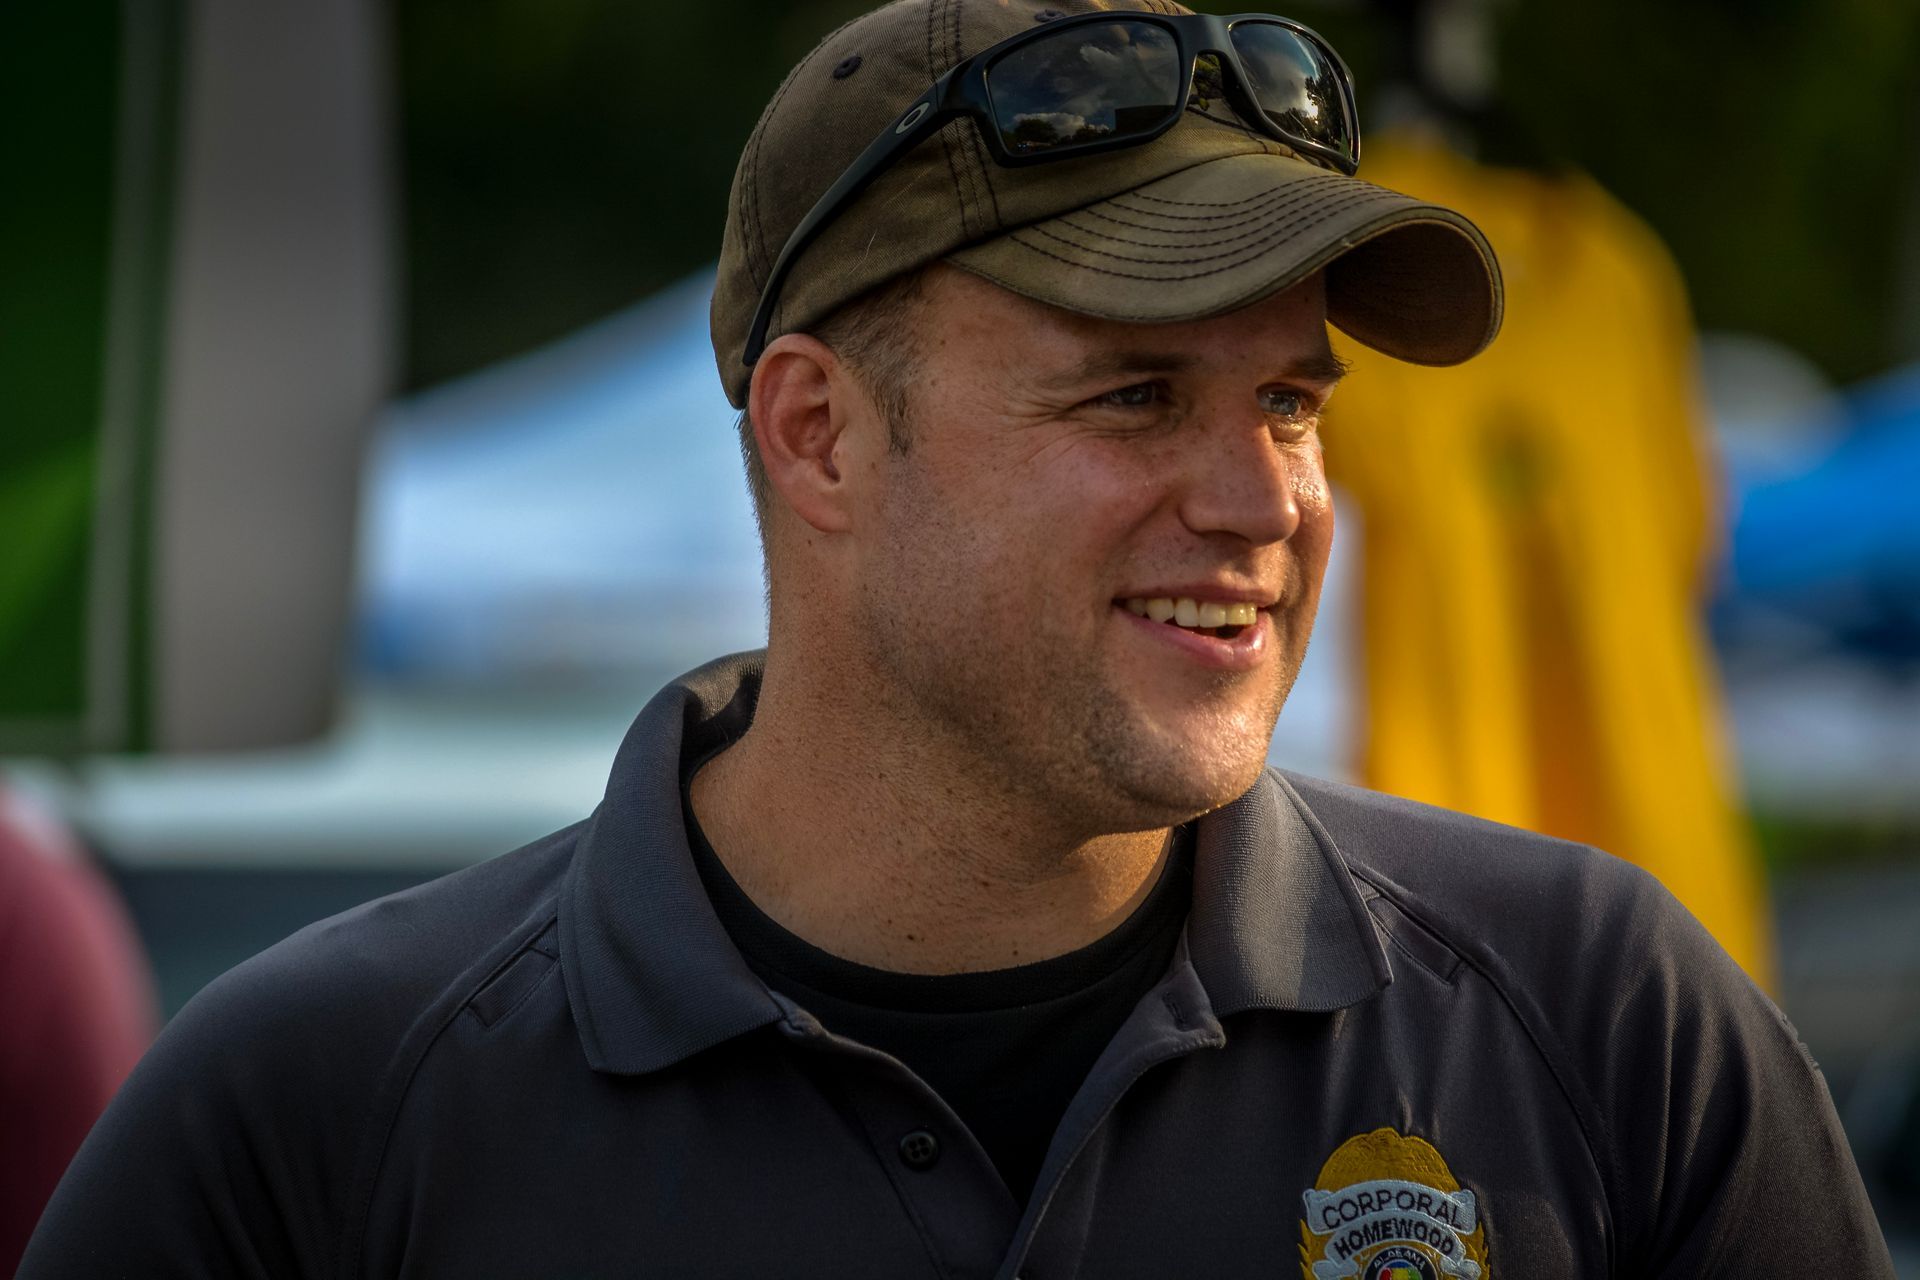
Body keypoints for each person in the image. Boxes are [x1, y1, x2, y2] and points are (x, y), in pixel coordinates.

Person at [21, 2, 1893, 1276]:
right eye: (1139, 398)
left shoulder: (1601, 1024)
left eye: (1297, 406)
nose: (1267, 502)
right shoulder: (322, 1111)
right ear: (818, 432)